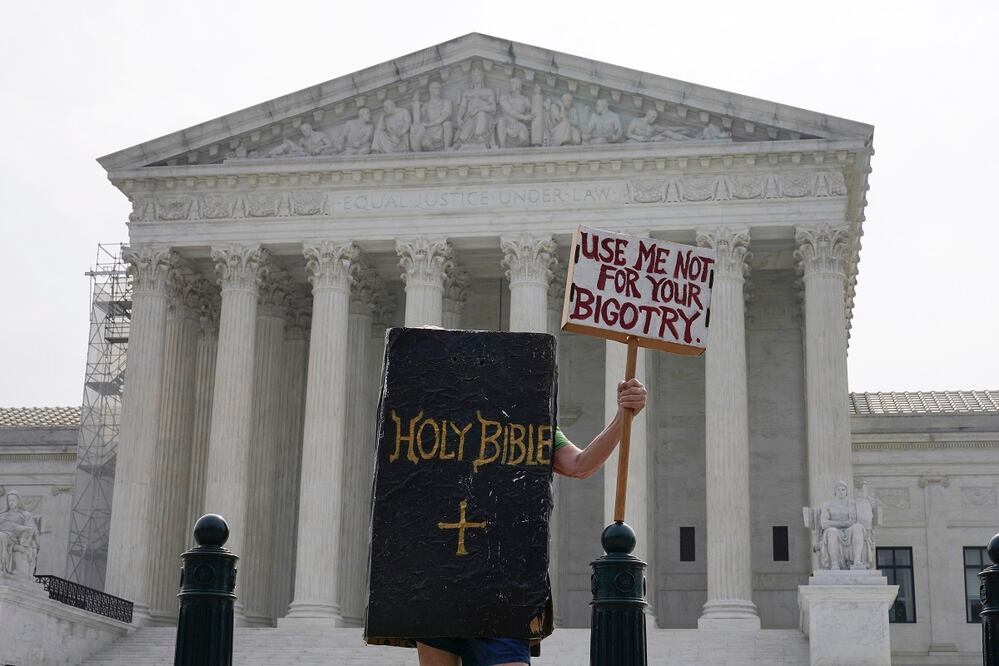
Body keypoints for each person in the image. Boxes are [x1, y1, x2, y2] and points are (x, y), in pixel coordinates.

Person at [416, 376, 648, 666]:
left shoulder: (533, 426)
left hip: (504, 586)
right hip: (442, 582)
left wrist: (622, 417)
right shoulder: (434, 423)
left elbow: (580, 464)